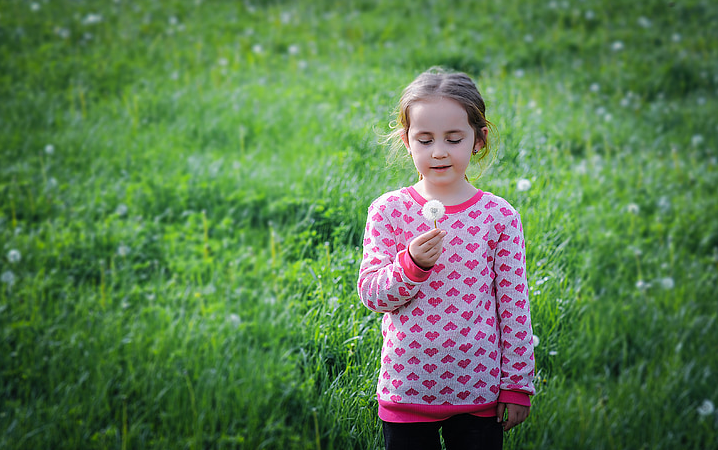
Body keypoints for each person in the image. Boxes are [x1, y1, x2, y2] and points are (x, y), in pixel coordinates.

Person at [357, 67, 535, 450]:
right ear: (407, 142)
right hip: (408, 386)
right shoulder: (389, 210)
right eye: (425, 140)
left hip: (479, 389)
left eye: (453, 139)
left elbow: (514, 305)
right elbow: (372, 294)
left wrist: (518, 385)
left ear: (478, 140)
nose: (439, 151)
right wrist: (412, 266)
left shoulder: (499, 217)